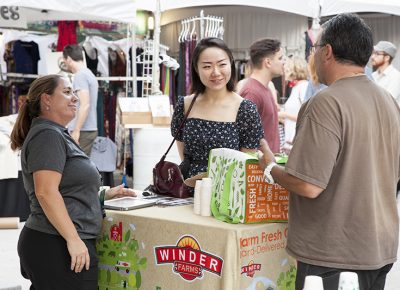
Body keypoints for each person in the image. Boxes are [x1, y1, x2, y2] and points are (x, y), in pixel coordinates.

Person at [258, 13, 400, 290]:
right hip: (379, 246)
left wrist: (270, 168)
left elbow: (308, 184)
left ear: (327, 51)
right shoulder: (389, 101)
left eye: (315, 49)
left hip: (334, 254)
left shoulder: (326, 102)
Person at [10, 75, 136, 290]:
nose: (75, 98)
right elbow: (46, 192)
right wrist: (73, 239)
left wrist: (103, 194)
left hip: (57, 243)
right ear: (46, 100)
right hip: (56, 244)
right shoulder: (48, 135)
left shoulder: (56, 134)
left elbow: (63, 190)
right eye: (67, 92)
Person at [171, 37, 263, 185]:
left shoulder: (246, 109)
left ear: (231, 65)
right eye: (207, 66)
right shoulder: (184, 105)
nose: (216, 72)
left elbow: (246, 164)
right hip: (188, 190)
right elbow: (184, 158)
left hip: (227, 195)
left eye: (222, 65)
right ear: (196, 68)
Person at [238, 38, 284, 154]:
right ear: (268, 62)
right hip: (257, 167)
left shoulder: (265, 88)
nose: (283, 62)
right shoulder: (252, 92)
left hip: (267, 165)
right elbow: (243, 137)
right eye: (280, 58)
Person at [63, 44, 99, 156]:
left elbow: (85, 104)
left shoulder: (81, 76)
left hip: (83, 130)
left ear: (68, 58)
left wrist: (76, 130)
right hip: (87, 129)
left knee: (76, 168)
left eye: (64, 59)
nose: (64, 62)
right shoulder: (88, 74)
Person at [279, 56, 309, 153]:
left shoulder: (303, 87)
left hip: (296, 143)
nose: (285, 71)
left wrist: (284, 115)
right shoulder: (296, 87)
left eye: (287, 69)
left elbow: (306, 116)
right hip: (290, 141)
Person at [370, 40, 400, 106]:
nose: (372, 57)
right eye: (373, 53)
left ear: (387, 58)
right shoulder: (372, 76)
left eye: (377, 54)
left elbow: (386, 102)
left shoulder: (396, 77)